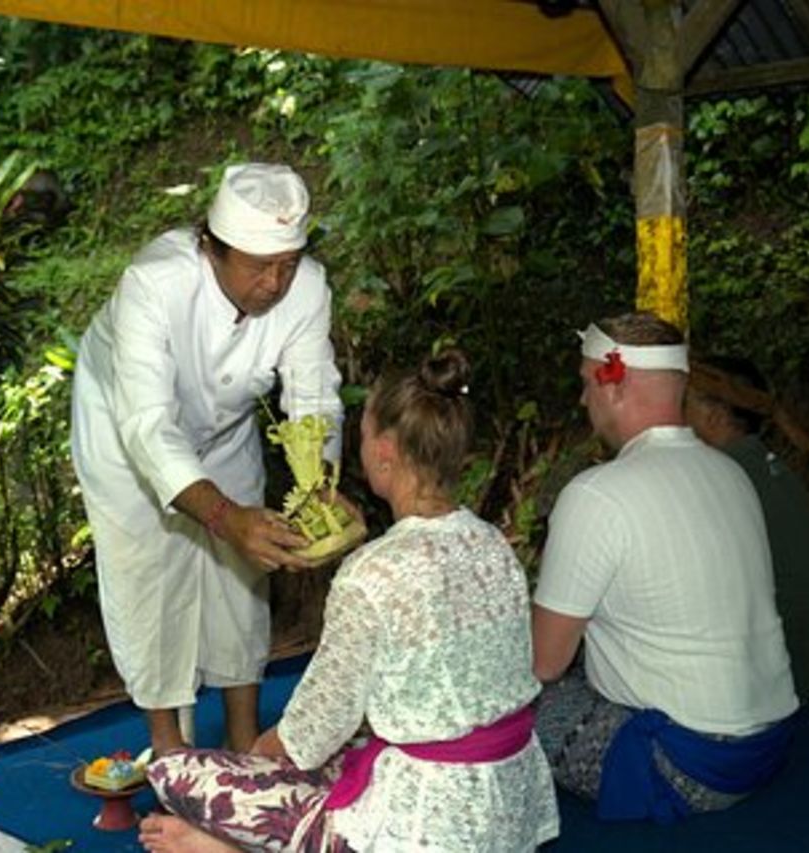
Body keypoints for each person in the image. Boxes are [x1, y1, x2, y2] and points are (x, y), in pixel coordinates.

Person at [139, 349, 559, 853]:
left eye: (360, 436)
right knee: (357, 747)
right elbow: (418, 596)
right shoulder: (492, 542)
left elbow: (312, 731)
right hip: (507, 803)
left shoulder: (371, 573)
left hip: (428, 824)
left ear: (383, 452)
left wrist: (253, 759)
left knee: (175, 770)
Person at [70, 163, 350, 756]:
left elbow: (313, 397)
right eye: (259, 266)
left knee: (243, 575)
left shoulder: (308, 287)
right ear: (212, 249)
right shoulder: (155, 283)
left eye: (288, 264)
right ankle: (170, 747)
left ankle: (245, 738)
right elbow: (147, 426)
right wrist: (223, 516)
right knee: (148, 573)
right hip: (124, 431)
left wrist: (319, 486)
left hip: (225, 432)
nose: (276, 283)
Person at [532, 312, 799, 823]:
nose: (583, 400)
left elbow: (542, 664)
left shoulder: (596, 494)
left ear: (615, 386)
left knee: (502, 700)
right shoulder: (732, 473)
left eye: (587, 384)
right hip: (768, 744)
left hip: (686, 765)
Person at [685, 355, 809, 704]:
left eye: (683, 404)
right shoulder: (773, 471)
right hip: (808, 672)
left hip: (773, 690)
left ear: (713, 416)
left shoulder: (721, 481)